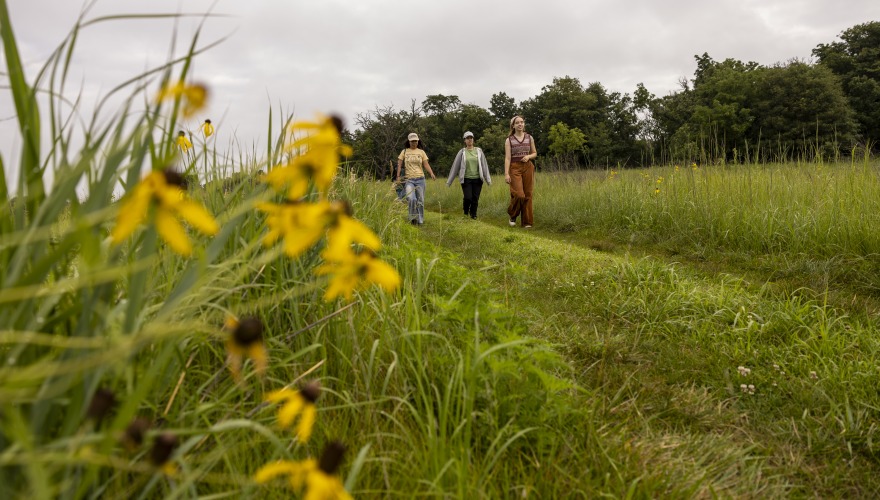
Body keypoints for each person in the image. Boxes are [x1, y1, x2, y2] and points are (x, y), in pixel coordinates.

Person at [446, 131, 492, 219]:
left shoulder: (479, 151)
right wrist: (449, 182)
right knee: (468, 197)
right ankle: (466, 212)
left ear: (473, 139)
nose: (470, 139)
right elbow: (455, 166)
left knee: (475, 198)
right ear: (465, 140)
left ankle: (473, 215)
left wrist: (488, 180)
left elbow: (484, 165)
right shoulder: (462, 152)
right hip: (466, 179)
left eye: (471, 138)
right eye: (467, 138)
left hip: (478, 179)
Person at [504, 115, 537, 228]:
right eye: (517, 123)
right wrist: (506, 174)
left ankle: (527, 222)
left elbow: (534, 153)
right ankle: (513, 214)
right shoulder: (509, 140)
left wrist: (528, 157)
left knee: (528, 194)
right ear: (513, 126)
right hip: (514, 167)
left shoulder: (529, 137)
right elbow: (507, 158)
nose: (520, 124)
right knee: (519, 195)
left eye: (522, 122)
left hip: (528, 166)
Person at [397, 132, 436, 225]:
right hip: (409, 179)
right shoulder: (404, 151)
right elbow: (399, 164)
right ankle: (412, 218)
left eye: (415, 141)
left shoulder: (421, 152)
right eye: (412, 141)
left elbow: (425, 164)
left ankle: (420, 220)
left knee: (420, 201)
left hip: (420, 179)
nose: (414, 143)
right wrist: (398, 176)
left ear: (418, 141)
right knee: (411, 199)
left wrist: (431, 173)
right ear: (409, 142)